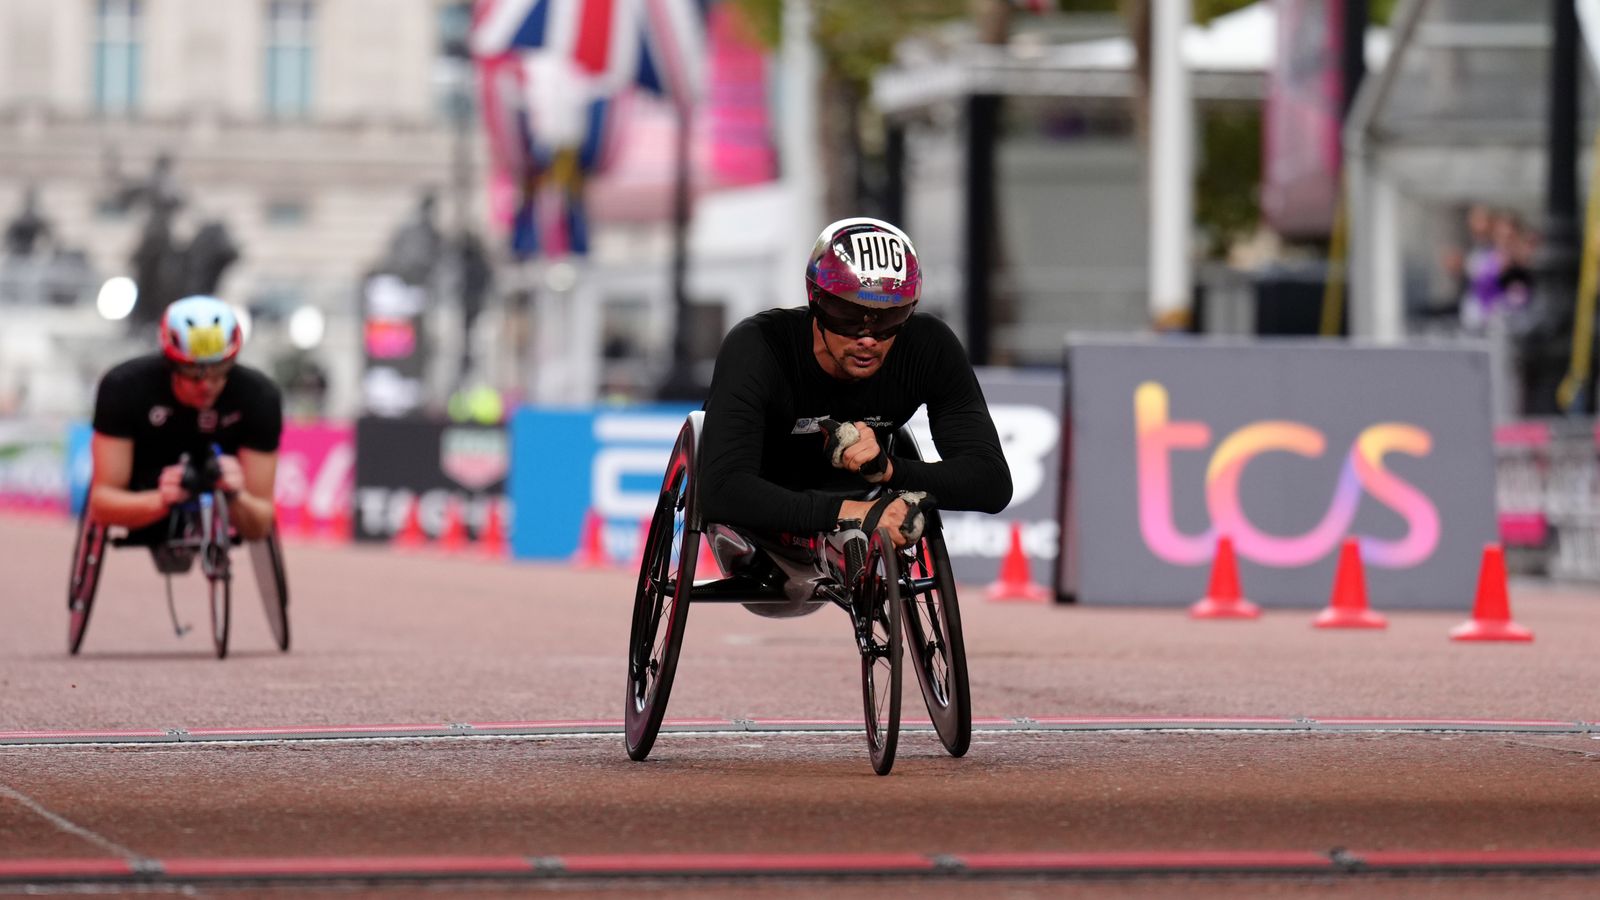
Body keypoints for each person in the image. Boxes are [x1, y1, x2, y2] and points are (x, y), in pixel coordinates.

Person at [697, 217, 1012, 617]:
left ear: (910, 310)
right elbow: (721, 489)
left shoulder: (928, 347)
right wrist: (855, 513)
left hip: (857, 504)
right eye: (847, 315)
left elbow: (992, 482)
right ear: (816, 299)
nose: (867, 338)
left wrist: (888, 470)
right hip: (760, 517)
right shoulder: (758, 346)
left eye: (888, 318)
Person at [87, 296, 283, 566]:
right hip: (147, 480)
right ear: (171, 363)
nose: (206, 385)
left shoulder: (260, 396)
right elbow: (101, 503)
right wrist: (161, 500)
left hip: (221, 477)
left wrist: (237, 495)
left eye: (219, 369)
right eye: (192, 371)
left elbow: (261, 523)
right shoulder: (123, 387)